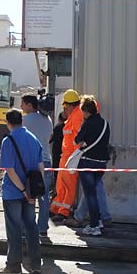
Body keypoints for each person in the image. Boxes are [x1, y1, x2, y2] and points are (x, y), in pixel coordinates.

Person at [0, 108, 43, 274]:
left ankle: (14, 266)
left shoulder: (8, 141)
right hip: (31, 192)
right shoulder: (34, 139)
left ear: (8, 123)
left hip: (13, 192)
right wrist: (33, 191)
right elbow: (40, 167)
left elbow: (10, 169)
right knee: (31, 226)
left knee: (14, 228)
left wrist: (22, 190)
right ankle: (35, 264)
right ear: (21, 121)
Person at [74, 95, 111, 236]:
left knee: (90, 195)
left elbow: (77, 140)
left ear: (85, 111)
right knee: (93, 192)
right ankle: (98, 220)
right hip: (102, 162)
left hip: (87, 162)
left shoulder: (87, 124)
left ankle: (94, 225)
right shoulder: (105, 123)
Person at [20, 94, 54, 241]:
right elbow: (50, 138)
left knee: (28, 196)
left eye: (22, 104)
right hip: (46, 161)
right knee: (44, 197)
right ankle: (43, 229)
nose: (21, 106)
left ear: (29, 105)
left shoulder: (25, 120)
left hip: (31, 162)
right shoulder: (48, 120)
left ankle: (27, 229)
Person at [49, 89, 83, 220]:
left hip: (71, 157)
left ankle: (63, 211)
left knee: (68, 186)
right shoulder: (73, 117)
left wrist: (75, 156)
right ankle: (55, 208)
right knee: (61, 185)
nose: (64, 110)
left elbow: (79, 140)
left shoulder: (77, 117)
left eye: (65, 107)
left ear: (69, 105)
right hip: (65, 156)